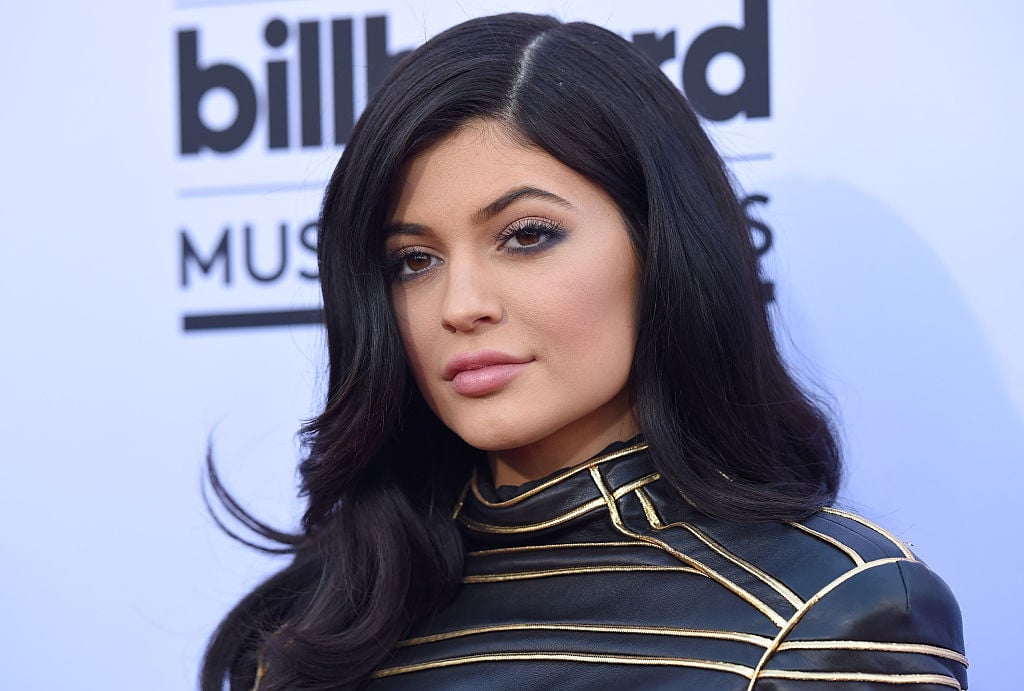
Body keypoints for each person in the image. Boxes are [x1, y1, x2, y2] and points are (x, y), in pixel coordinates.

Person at [202, 12, 967, 691]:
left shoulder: (830, 617)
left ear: (659, 247)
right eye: (414, 260)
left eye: (526, 236)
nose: (461, 305)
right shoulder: (323, 619)